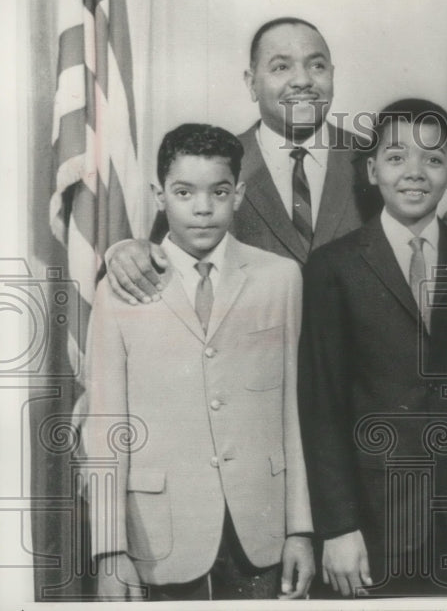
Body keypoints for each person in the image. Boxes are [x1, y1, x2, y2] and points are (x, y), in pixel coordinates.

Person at [297, 99, 447, 597]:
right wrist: (337, 526)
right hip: (374, 522)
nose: (415, 173)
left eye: (434, 159)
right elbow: (321, 409)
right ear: (372, 167)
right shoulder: (332, 266)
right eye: (397, 157)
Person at [104, 17, 447, 305]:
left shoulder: (377, 160)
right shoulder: (214, 167)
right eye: (281, 66)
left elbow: (417, 227)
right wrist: (125, 249)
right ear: (250, 82)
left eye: (316, 65)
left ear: (332, 75)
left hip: (353, 389)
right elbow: (161, 252)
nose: (302, 80)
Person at [82, 124, 314, 601]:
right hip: (160, 534)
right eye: (184, 192)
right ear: (159, 195)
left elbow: (293, 412)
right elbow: (104, 426)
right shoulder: (120, 289)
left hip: (260, 530)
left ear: (240, 193)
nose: (203, 208)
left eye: (219, 191)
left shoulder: (281, 278)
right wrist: (109, 549)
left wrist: (300, 530)